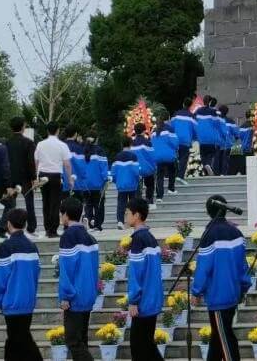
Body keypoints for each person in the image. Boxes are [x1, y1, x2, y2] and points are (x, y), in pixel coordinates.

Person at [191, 194, 251, 361]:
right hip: (233, 292)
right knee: (218, 337)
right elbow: (243, 265)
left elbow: (203, 267)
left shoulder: (210, 234)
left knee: (225, 338)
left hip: (218, 295)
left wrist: (196, 291)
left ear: (208, 212)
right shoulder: (236, 232)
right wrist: (244, 286)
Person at [0, 208, 42, 361]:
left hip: (12, 302)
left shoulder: (6, 246)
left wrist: (0, 301)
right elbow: (36, 274)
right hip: (28, 301)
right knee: (16, 340)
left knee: (19, 340)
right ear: (25, 224)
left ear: (8, 224)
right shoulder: (32, 246)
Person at [58, 197, 99, 361]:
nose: (60, 217)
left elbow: (67, 269)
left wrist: (65, 296)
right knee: (82, 339)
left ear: (66, 215)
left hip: (74, 296)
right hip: (88, 294)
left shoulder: (68, 236)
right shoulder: (90, 238)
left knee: (73, 341)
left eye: (61, 213)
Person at [125, 197, 163, 361]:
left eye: (128, 213)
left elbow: (136, 273)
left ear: (137, 215)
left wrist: (133, 300)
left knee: (139, 348)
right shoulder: (150, 237)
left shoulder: (138, 239)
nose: (125, 216)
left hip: (143, 303)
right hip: (152, 300)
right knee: (148, 346)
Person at [34, 122, 74, 239]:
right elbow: (67, 164)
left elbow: (36, 162)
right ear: (58, 130)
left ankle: (47, 228)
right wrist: (70, 178)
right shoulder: (62, 145)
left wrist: (36, 177)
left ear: (47, 131)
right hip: (56, 175)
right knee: (55, 203)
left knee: (45, 202)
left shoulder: (40, 144)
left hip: (43, 175)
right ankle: (53, 230)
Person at [3, 116, 38, 236]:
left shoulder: (6, 143)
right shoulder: (29, 143)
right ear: (23, 127)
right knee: (29, 204)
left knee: (10, 204)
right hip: (25, 177)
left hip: (11, 177)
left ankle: (8, 227)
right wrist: (34, 178)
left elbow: (5, 162)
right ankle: (31, 228)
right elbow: (31, 162)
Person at [112, 137, 142, 230]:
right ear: (130, 144)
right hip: (132, 184)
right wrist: (138, 180)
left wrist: (116, 181)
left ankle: (120, 221)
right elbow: (136, 172)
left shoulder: (117, 156)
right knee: (133, 204)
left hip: (121, 184)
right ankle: (133, 222)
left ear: (122, 145)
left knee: (121, 203)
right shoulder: (133, 156)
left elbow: (113, 173)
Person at [81, 128, 108, 233]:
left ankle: (89, 220)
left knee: (88, 204)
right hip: (98, 183)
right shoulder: (100, 151)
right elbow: (103, 167)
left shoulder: (82, 150)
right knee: (99, 205)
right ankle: (97, 225)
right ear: (96, 139)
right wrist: (105, 179)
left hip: (85, 184)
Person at [168, 98, 196, 184]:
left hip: (175, 139)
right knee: (183, 158)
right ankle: (180, 176)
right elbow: (195, 130)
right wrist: (193, 139)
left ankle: (171, 175)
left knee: (174, 157)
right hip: (186, 140)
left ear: (183, 104)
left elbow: (170, 127)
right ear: (190, 106)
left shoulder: (176, 114)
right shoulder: (192, 116)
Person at [152, 114, 179, 202]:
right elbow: (175, 142)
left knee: (160, 176)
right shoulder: (169, 129)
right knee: (172, 171)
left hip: (158, 157)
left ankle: (159, 196)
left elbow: (152, 144)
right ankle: (171, 188)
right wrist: (175, 150)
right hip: (169, 156)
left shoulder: (154, 132)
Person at [132, 124, 157, 209]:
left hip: (136, 169)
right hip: (147, 168)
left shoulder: (132, 143)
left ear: (135, 131)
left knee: (137, 188)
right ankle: (149, 201)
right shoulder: (147, 142)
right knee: (150, 185)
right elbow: (152, 157)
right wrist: (154, 167)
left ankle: (138, 204)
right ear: (144, 131)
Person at [194, 97, 219, 176]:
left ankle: (205, 166)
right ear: (209, 102)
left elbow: (194, 122)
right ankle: (208, 164)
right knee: (211, 154)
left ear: (203, 102)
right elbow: (217, 124)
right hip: (211, 137)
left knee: (203, 154)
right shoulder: (213, 112)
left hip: (201, 137)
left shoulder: (198, 111)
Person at [62, 125, 87, 199]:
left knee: (63, 205)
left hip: (62, 184)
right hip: (77, 184)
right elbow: (82, 168)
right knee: (77, 205)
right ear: (75, 134)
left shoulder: (61, 146)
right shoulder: (79, 148)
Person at [219, 106, 239, 177]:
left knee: (219, 160)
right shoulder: (231, 121)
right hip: (228, 145)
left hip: (219, 145)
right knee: (227, 160)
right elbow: (237, 134)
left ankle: (220, 173)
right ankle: (226, 174)